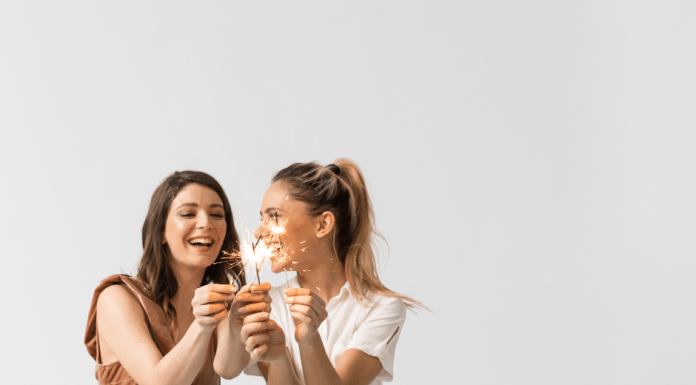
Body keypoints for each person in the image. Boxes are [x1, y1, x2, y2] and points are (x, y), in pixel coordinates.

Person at [240, 159, 423, 385]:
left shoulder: (381, 308)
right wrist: (278, 358)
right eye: (262, 218)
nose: (259, 232)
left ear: (323, 224)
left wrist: (309, 340)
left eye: (274, 216)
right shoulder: (268, 306)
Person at [84, 170, 268, 385]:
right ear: (160, 231)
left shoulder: (224, 307)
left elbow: (228, 370)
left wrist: (244, 323)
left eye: (217, 215)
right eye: (188, 214)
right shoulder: (116, 298)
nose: (205, 223)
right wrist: (202, 327)